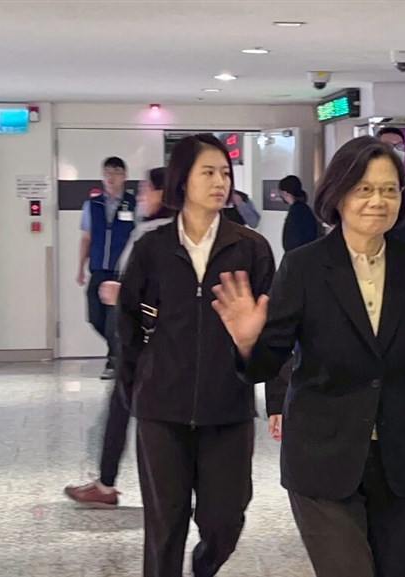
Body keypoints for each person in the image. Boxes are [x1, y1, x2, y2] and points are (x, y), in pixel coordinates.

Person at [210, 135, 405, 577]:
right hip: (322, 457)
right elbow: (269, 363)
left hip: (395, 459)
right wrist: (248, 342)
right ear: (338, 195)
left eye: (389, 189)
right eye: (364, 189)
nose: (378, 201)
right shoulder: (304, 266)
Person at [118, 134, 275, 577]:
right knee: (164, 526)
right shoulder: (153, 248)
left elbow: (276, 330)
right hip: (161, 408)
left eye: (225, 173)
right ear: (182, 180)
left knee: (225, 520)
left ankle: (204, 567)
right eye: (208, 172)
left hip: (227, 408)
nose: (220, 181)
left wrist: (276, 396)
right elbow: (127, 324)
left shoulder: (251, 248)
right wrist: (137, 390)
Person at [64, 167, 175, 508]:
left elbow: (154, 289)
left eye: (146, 189)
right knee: (134, 410)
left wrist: (121, 291)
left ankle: (108, 484)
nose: (140, 195)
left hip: (145, 341)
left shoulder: (154, 233)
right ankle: (120, 483)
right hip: (154, 343)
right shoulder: (164, 230)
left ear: (163, 193)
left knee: (127, 409)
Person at [77, 156, 136, 380]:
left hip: (121, 272)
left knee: (114, 319)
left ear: (124, 176)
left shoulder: (133, 204)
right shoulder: (92, 205)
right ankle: (121, 351)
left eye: (116, 172)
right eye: (107, 173)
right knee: (95, 317)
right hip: (98, 268)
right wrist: (79, 268)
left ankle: (113, 361)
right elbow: (86, 238)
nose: (111, 177)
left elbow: (138, 238)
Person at [279, 175, 318, 253]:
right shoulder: (304, 209)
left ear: (285, 193)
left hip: (298, 258)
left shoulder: (296, 212)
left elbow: (293, 240)